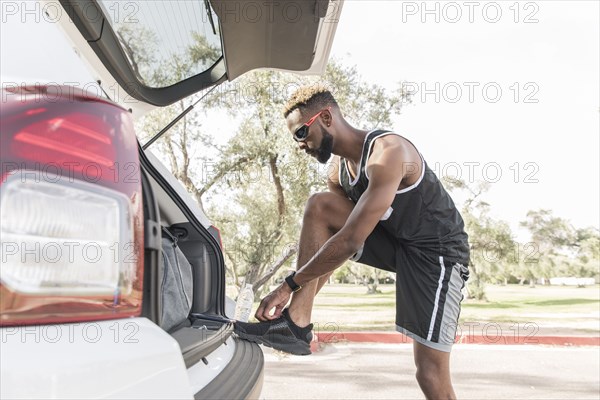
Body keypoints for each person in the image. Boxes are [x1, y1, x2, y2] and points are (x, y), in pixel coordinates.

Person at [234, 86, 470, 399]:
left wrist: (287, 285)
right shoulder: (339, 173)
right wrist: (293, 300)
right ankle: (296, 324)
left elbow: (350, 241)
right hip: (397, 244)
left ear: (327, 117)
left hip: (437, 255)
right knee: (320, 207)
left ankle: (295, 318)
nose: (300, 144)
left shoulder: (388, 153)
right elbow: (331, 246)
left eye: (302, 132)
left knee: (428, 373)